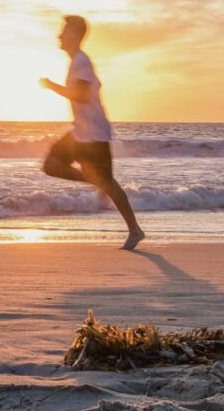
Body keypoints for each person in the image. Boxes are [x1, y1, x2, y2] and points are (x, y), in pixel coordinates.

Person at [40, 15, 145, 250]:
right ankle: (96, 181)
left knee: (108, 184)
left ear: (76, 35)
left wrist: (51, 86)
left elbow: (82, 95)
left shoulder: (82, 62)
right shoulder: (75, 62)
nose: (60, 35)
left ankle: (135, 230)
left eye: (65, 31)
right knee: (51, 166)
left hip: (94, 135)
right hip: (80, 133)